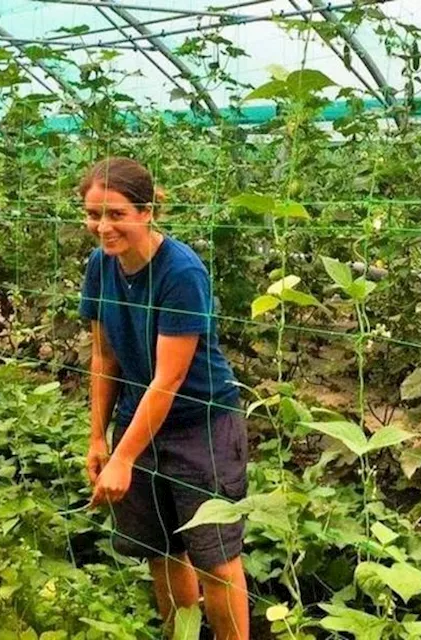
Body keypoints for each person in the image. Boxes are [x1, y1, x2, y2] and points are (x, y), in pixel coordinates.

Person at [78, 157, 249, 639]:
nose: (103, 228)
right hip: (140, 418)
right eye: (93, 215)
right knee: (161, 550)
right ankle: (182, 634)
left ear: (147, 211)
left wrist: (123, 458)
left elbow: (168, 381)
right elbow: (104, 357)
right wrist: (98, 438)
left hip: (201, 427)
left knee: (215, 559)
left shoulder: (181, 272)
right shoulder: (100, 266)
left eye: (116, 214)